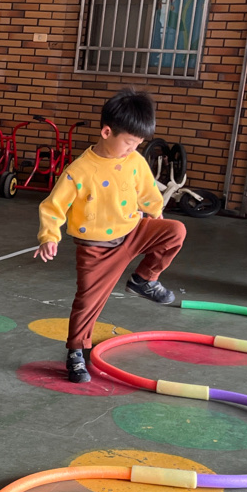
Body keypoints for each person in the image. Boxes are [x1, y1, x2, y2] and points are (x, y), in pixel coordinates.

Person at [34, 89, 186, 383]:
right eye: (129, 142)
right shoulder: (79, 171)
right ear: (106, 132)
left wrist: (155, 213)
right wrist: (49, 237)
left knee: (175, 231)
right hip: (97, 249)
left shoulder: (135, 161)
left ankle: (144, 280)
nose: (134, 148)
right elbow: (53, 207)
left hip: (133, 231)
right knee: (87, 302)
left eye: (138, 143)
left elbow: (147, 191)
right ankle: (76, 352)